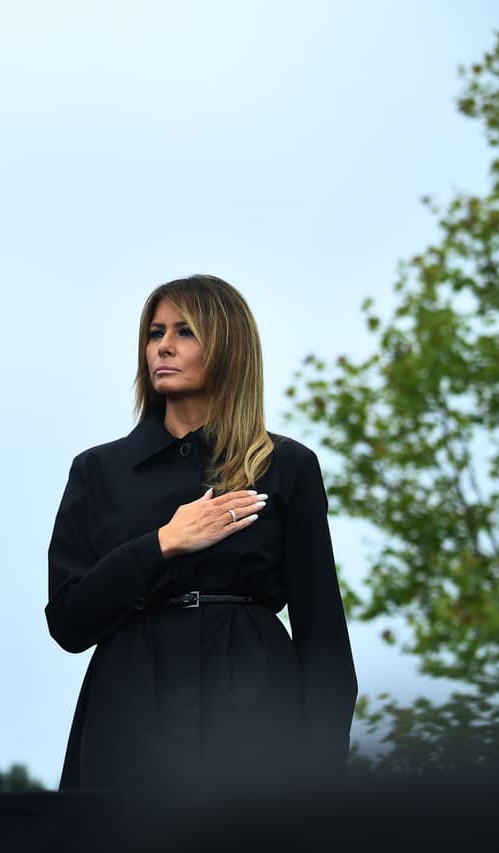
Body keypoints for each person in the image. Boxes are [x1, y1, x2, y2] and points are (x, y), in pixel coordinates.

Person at [45, 274, 357, 794]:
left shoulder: (286, 466)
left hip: (258, 716)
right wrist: (162, 543)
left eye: (185, 331)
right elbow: (69, 623)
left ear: (228, 346)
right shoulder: (98, 471)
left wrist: (322, 778)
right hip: (129, 719)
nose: (163, 346)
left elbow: (323, 638)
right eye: (154, 332)